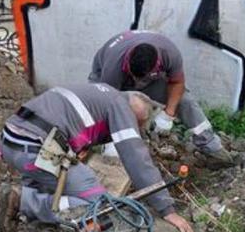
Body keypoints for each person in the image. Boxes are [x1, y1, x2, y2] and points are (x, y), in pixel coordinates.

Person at [0, 83, 197, 232]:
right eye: (138, 126)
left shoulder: (101, 93)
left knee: (69, 181)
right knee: (101, 206)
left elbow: (72, 122)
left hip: (11, 141)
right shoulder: (122, 106)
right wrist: (166, 209)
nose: (136, 129)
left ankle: (24, 197)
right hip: (35, 149)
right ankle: (24, 201)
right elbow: (136, 157)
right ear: (136, 116)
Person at [89, 30, 236, 167]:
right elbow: (108, 105)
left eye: (141, 80)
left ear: (157, 66)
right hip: (110, 83)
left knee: (185, 101)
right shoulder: (113, 66)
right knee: (117, 126)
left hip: (151, 78)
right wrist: (114, 137)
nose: (138, 84)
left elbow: (177, 83)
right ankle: (113, 151)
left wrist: (168, 114)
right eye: (136, 79)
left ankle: (212, 147)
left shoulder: (169, 54)